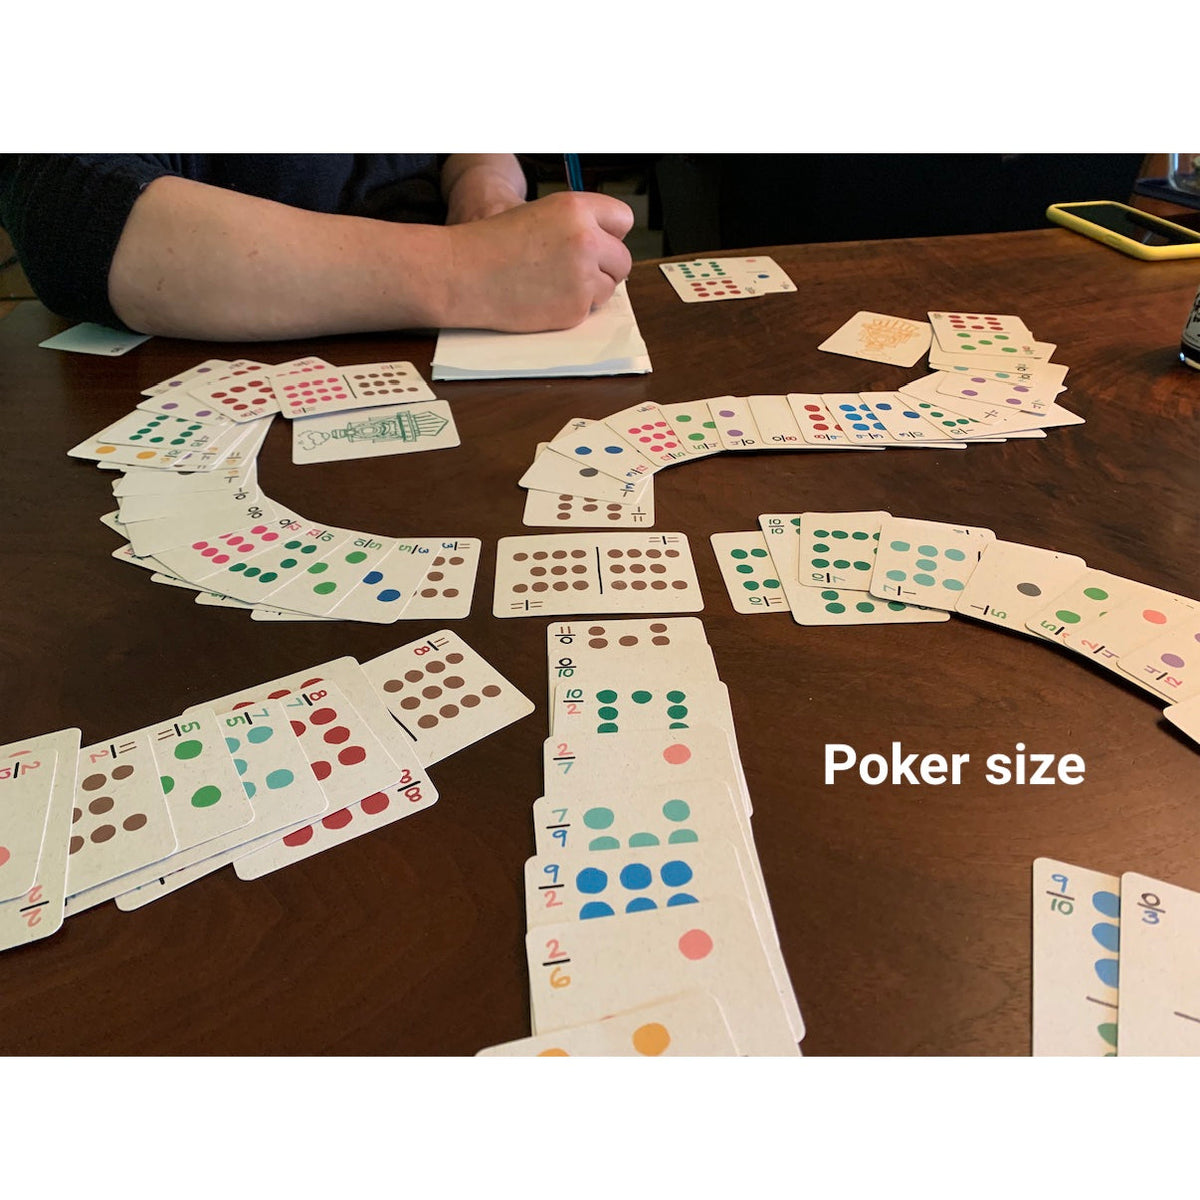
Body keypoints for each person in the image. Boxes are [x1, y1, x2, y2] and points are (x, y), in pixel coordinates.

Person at [0, 153, 635, 341]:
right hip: (230, 399)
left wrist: (487, 195)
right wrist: (465, 267)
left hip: (460, 363)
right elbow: (68, 208)